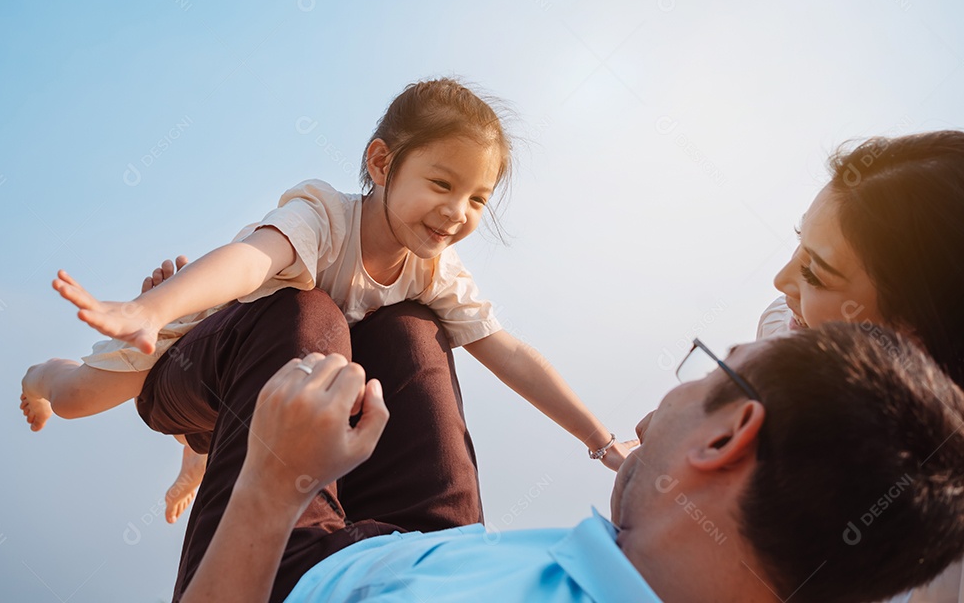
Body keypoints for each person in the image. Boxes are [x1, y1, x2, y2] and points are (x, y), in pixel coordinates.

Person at [19, 77, 627, 526]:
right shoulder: (323, 216)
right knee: (77, 400)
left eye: (477, 199)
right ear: (383, 163)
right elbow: (254, 258)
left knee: (329, 350)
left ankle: (195, 460)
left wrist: (601, 440)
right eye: (442, 184)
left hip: (286, 384)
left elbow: (509, 351)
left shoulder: (435, 270)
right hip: (197, 336)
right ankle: (41, 374)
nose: (456, 212)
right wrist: (150, 311)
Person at [177, 323, 964, 603]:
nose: (657, 409)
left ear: (727, 439)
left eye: (708, 369)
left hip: (292, 568)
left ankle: (163, 388)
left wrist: (273, 480)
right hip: (430, 549)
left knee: (296, 324)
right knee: (411, 328)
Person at [757, 131, 964, 601]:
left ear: (917, 331)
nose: (782, 280)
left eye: (815, 273)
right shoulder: (782, 331)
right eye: (799, 245)